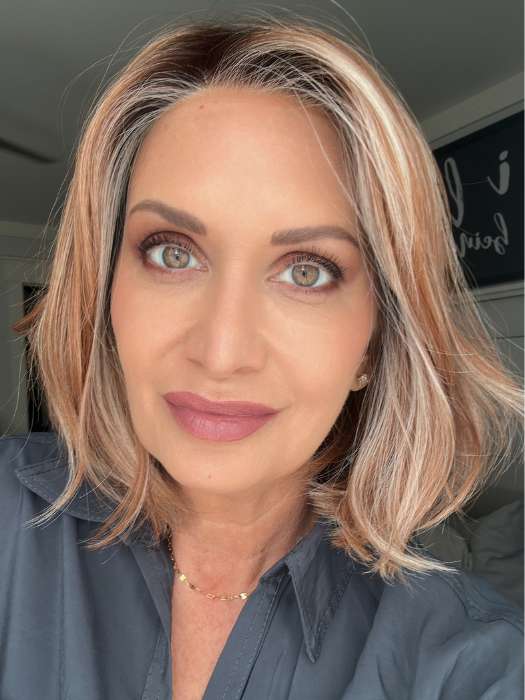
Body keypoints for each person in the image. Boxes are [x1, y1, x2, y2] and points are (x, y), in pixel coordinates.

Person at [1, 13, 523, 700]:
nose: (222, 353)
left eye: (306, 271)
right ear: (105, 292)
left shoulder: (470, 663)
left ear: (374, 341)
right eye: (172, 253)